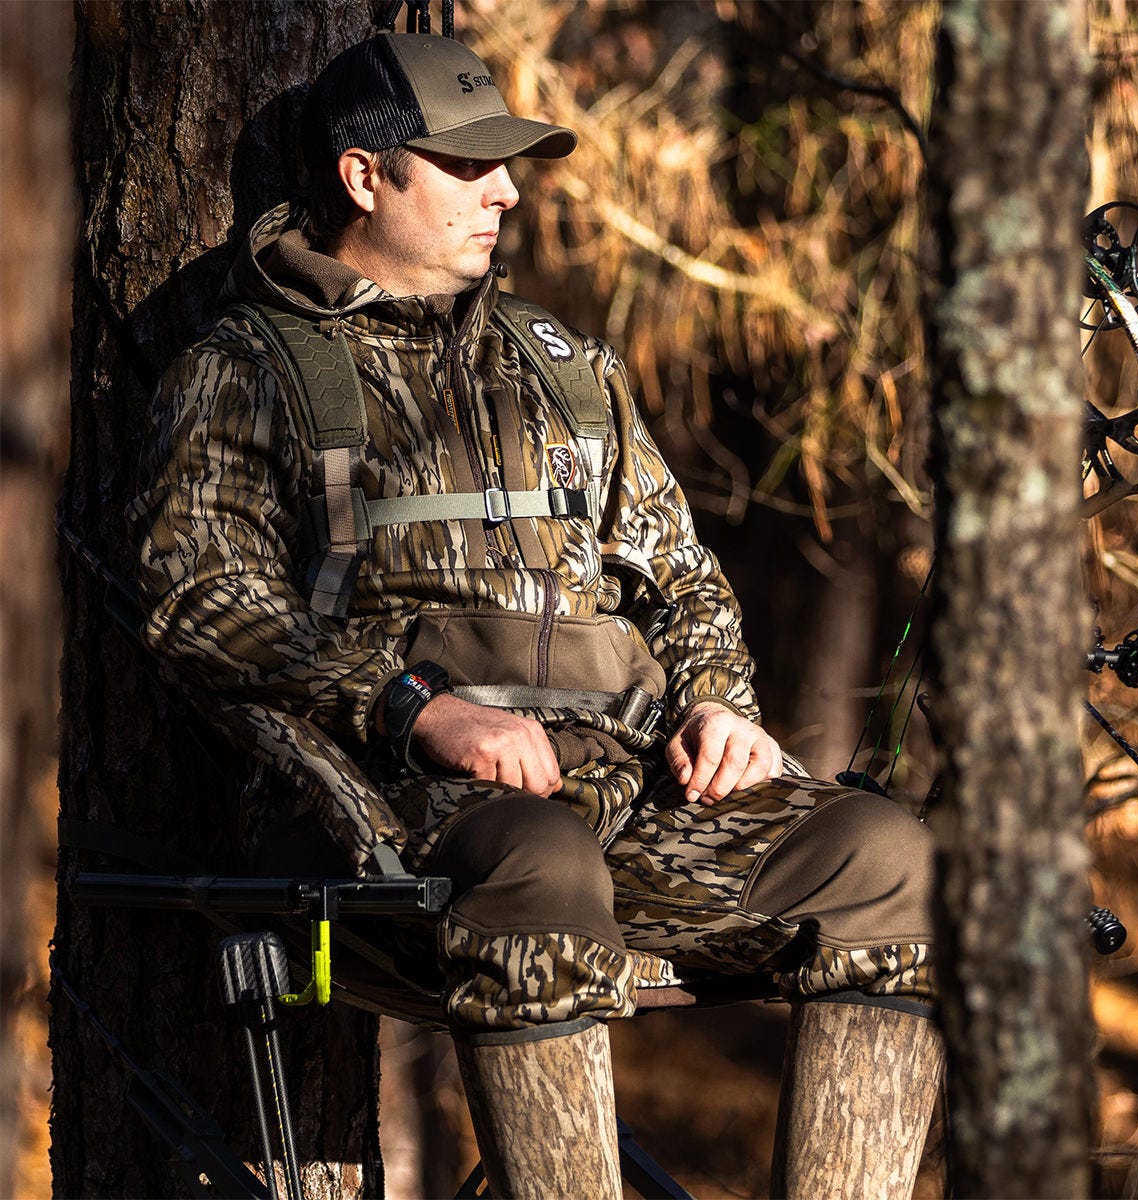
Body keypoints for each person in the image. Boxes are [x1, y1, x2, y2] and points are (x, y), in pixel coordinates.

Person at [131, 26, 942, 1200]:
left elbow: (685, 581)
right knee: (543, 866)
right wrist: (418, 711)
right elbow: (201, 600)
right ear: (367, 178)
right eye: (468, 166)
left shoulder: (569, 369)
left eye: (507, 162)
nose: (507, 191)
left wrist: (720, 700)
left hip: (628, 791)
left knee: (888, 858)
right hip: (386, 809)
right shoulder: (250, 368)